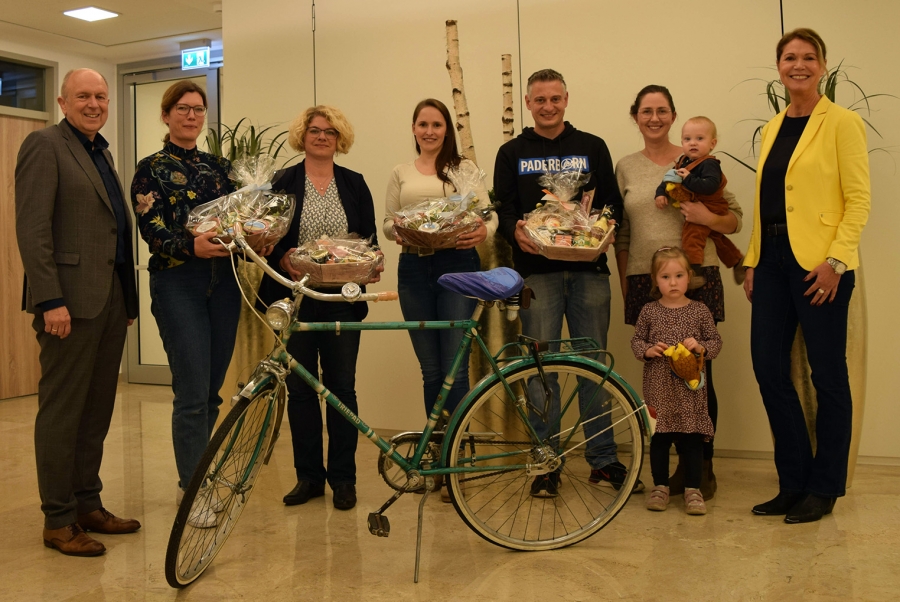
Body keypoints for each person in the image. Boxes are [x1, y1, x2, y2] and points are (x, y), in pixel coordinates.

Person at [743, 28, 870, 524]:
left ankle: (824, 487)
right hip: (772, 260)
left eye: (808, 57)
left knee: (828, 376)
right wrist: (753, 260)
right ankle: (792, 482)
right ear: (779, 66)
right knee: (769, 369)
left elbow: (858, 200)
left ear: (821, 65)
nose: (798, 65)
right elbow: (765, 201)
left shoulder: (842, 122)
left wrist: (836, 261)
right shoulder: (774, 125)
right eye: (789, 57)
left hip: (821, 266)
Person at [494, 68, 638, 497]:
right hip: (537, 276)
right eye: (540, 100)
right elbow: (500, 209)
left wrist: (601, 229)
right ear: (528, 103)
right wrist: (514, 230)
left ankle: (603, 459)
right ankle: (546, 460)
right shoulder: (511, 152)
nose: (548, 106)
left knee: (593, 366)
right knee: (540, 371)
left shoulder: (591, 146)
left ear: (566, 99)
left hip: (589, 273)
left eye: (555, 98)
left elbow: (612, 203)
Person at [15, 68, 140, 556]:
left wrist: (126, 301)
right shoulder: (45, 145)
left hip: (108, 302)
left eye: (101, 96)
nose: (94, 104)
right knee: (63, 411)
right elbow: (32, 228)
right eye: (83, 96)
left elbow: (112, 231)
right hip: (66, 303)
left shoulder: (100, 150)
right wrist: (50, 300)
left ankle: (88, 503)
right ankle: (58, 519)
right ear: (63, 103)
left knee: (96, 410)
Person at [131, 80, 255, 527]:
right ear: (166, 116)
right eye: (182, 109)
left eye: (198, 110)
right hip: (178, 283)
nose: (191, 116)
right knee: (190, 394)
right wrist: (190, 247)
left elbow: (243, 218)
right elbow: (151, 229)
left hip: (224, 284)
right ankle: (192, 488)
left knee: (210, 394)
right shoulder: (150, 170)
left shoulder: (221, 168)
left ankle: (202, 472)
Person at [615, 84, 743, 500]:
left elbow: (734, 217)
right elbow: (623, 232)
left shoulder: (697, 158)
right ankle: (662, 470)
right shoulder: (626, 167)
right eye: (646, 111)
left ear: (673, 116)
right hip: (643, 280)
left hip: (697, 277)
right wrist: (624, 278)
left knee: (697, 376)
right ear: (635, 116)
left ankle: (699, 470)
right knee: (659, 377)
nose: (654, 118)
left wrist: (706, 215)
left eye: (662, 111)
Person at [257, 105, 382, 511]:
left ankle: (344, 480)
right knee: (301, 391)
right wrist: (281, 259)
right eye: (314, 130)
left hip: (343, 301)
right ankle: (308, 478)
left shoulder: (355, 183)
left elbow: (369, 239)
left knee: (342, 388)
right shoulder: (282, 182)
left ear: (339, 139)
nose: (322, 136)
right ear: (303, 135)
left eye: (330, 131)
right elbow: (267, 237)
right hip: (294, 300)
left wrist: (370, 264)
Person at [383, 98, 493, 502]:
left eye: (437, 124)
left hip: (458, 266)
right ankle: (436, 454)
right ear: (413, 128)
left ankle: (457, 458)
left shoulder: (464, 171)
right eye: (423, 124)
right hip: (413, 270)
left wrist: (484, 233)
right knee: (431, 370)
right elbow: (386, 222)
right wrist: (403, 232)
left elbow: (489, 217)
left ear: (447, 129)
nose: (430, 131)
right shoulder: (400, 172)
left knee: (455, 369)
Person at [631, 247, 722, 515]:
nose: (672, 282)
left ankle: (693, 489)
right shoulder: (649, 311)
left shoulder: (700, 311)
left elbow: (715, 343)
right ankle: (660, 486)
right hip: (658, 390)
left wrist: (700, 346)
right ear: (655, 280)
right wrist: (648, 351)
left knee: (691, 440)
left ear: (689, 277)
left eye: (679, 275)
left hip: (689, 391)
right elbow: (637, 340)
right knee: (659, 440)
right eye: (665, 277)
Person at [654, 116, 745, 285]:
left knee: (692, 236)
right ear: (682, 142)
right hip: (700, 205)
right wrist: (660, 194)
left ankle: (693, 271)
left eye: (699, 139)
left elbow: (710, 186)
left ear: (712, 143)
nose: (693, 143)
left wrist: (688, 179)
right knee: (716, 237)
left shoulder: (710, 164)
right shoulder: (683, 161)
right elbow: (668, 179)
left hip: (712, 206)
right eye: (687, 139)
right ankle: (737, 261)